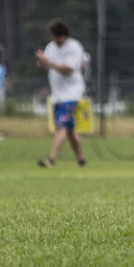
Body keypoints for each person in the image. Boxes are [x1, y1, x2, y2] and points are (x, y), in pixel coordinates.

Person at [36, 18, 89, 167]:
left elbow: (69, 70)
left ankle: (51, 159)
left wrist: (49, 63)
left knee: (62, 127)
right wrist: (41, 62)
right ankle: (81, 158)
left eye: (54, 36)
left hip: (72, 93)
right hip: (58, 95)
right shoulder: (51, 47)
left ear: (62, 35)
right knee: (70, 130)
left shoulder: (74, 47)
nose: (53, 39)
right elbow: (43, 67)